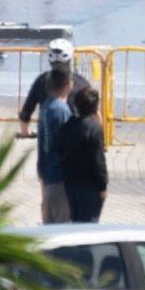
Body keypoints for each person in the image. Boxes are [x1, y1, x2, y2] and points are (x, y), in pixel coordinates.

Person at [18, 40, 92, 138]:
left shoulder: (41, 81)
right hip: (76, 138)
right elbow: (92, 113)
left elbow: (27, 109)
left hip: (47, 138)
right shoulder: (81, 83)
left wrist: (24, 131)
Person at [58, 86, 109, 223]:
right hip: (89, 185)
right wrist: (103, 186)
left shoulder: (67, 126)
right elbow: (98, 161)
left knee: (74, 221)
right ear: (95, 107)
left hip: (70, 183)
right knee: (89, 224)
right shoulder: (93, 130)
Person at [33, 68, 74, 223]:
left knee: (50, 226)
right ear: (69, 84)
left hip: (48, 175)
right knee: (63, 228)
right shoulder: (61, 110)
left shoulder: (46, 106)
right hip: (60, 178)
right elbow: (66, 145)